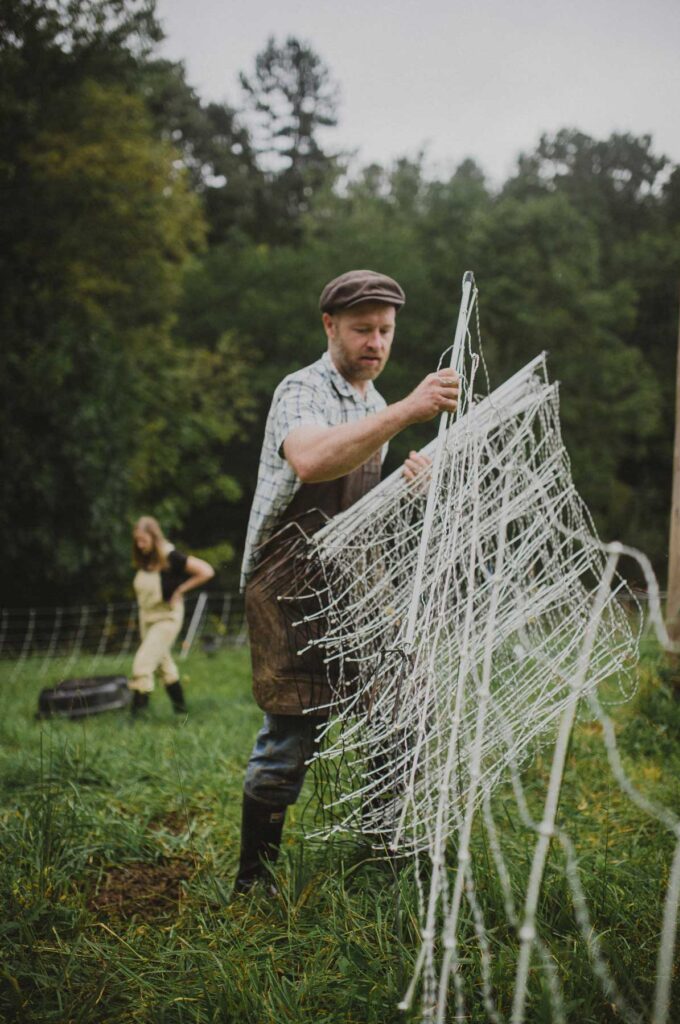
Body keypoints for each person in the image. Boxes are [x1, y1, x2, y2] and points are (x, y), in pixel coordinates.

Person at [234, 269, 460, 893]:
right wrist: (412, 410)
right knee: (292, 730)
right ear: (330, 325)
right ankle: (256, 880)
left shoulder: (374, 405)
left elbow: (356, 509)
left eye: (385, 331)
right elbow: (311, 460)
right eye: (363, 329)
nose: (376, 343)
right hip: (289, 580)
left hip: (356, 580)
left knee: (403, 705)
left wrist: (403, 484)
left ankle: (378, 848)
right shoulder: (301, 390)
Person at [129, 516, 215, 715]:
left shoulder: (171, 556)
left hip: (166, 618)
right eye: (137, 541)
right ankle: (181, 711)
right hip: (146, 617)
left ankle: (137, 717)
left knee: (143, 663)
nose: (140, 545)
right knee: (163, 664)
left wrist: (181, 590)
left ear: (154, 537)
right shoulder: (145, 558)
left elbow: (206, 571)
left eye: (144, 540)